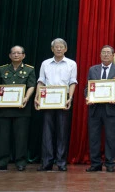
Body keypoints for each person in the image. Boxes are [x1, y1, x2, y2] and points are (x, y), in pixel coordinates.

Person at [0, 46, 36, 171]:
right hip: (3, 109)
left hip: (22, 109)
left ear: (23, 56)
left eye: (19, 53)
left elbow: (32, 86)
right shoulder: (2, 69)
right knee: (3, 137)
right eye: (14, 53)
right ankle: (2, 162)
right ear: (10, 55)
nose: (16, 55)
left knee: (21, 137)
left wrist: (26, 97)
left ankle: (20, 162)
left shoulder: (29, 70)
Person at [35, 38, 77, 171]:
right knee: (47, 132)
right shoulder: (45, 63)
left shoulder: (71, 64)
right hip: (47, 99)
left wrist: (70, 98)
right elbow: (41, 81)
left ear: (66, 49)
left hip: (63, 99)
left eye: (61, 47)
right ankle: (46, 162)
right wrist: (37, 97)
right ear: (52, 49)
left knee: (62, 131)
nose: (59, 49)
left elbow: (72, 82)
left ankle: (61, 162)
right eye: (56, 47)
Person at [85, 45, 115, 173]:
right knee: (94, 137)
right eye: (103, 52)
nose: (106, 55)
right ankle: (95, 164)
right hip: (95, 108)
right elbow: (88, 88)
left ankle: (110, 164)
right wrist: (88, 96)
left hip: (111, 108)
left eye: (108, 53)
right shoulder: (93, 70)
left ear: (113, 55)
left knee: (110, 137)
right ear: (100, 55)